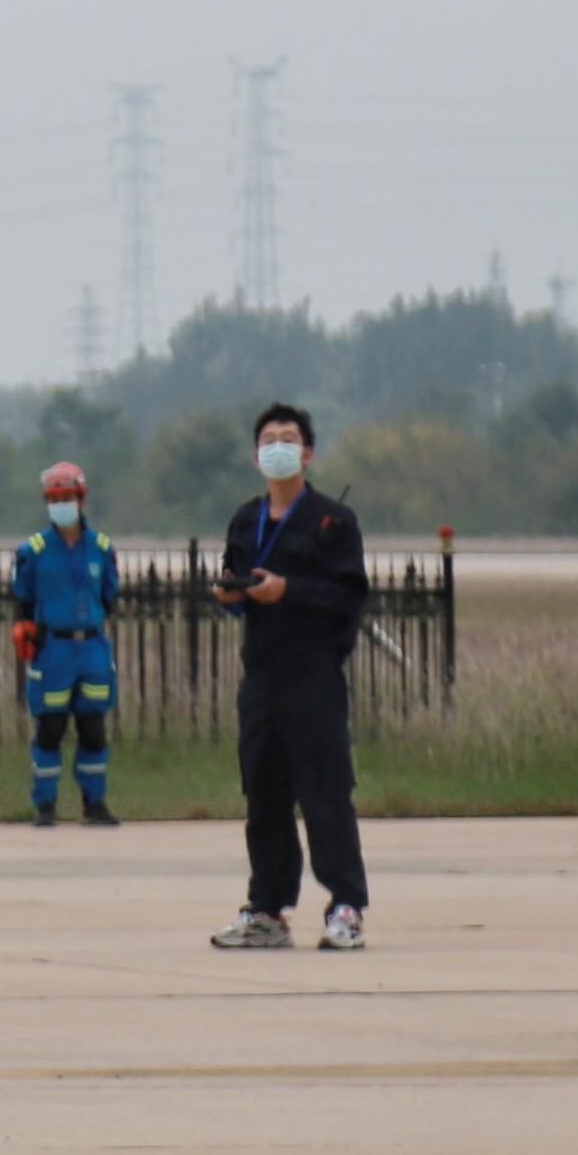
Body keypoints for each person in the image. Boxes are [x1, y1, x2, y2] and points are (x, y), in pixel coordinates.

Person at [211, 404, 372, 951]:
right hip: (262, 676)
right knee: (264, 794)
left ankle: (346, 904)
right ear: (256, 454)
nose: (277, 447)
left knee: (325, 793)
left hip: (314, 676)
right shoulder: (244, 519)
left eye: (288, 438)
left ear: (307, 452)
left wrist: (291, 591)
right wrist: (232, 595)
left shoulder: (332, 521)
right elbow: (237, 585)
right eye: (268, 439)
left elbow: (348, 596)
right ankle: (268, 908)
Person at [8, 461, 125, 830]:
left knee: (93, 728)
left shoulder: (102, 547)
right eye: (54, 498)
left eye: (68, 497)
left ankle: (94, 803)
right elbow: (21, 599)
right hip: (53, 650)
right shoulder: (34, 550)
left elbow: (109, 596)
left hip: (91, 648)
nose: (62, 504)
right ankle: (45, 804)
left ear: (81, 498)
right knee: (51, 728)